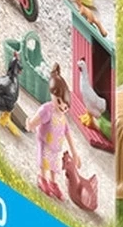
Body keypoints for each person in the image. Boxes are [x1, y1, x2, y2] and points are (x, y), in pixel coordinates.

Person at [26, 65, 81, 202]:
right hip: (45, 142)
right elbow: (38, 119)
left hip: (56, 147)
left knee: (54, 165)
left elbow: (67, 133)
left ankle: (52, 182)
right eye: (59, 102)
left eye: (66, 106)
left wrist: (74, 152)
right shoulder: (48, 110)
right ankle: (42, 178)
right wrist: (31, 124)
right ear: (53, 95)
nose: (62, 107)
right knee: (45, 162)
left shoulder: (62, 116)